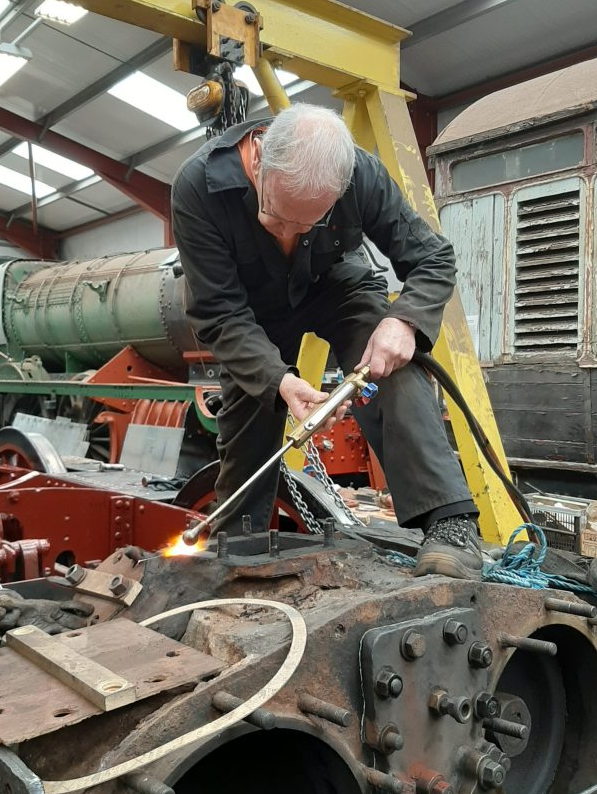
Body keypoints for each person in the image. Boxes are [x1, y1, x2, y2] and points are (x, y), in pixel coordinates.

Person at [172, 103, 481, 579]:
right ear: (258, 161)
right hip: (249, 313)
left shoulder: (361, 174)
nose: (290, 233)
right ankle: (239, 544)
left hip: (335, 284)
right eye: (275, 218)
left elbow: (433, 259)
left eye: (307, 224)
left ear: (340, 192)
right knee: (253, 401)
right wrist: (279, 381)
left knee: (389, 360)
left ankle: (451, 527)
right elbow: (219, 312)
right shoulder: (197, 189)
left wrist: (406, 322)